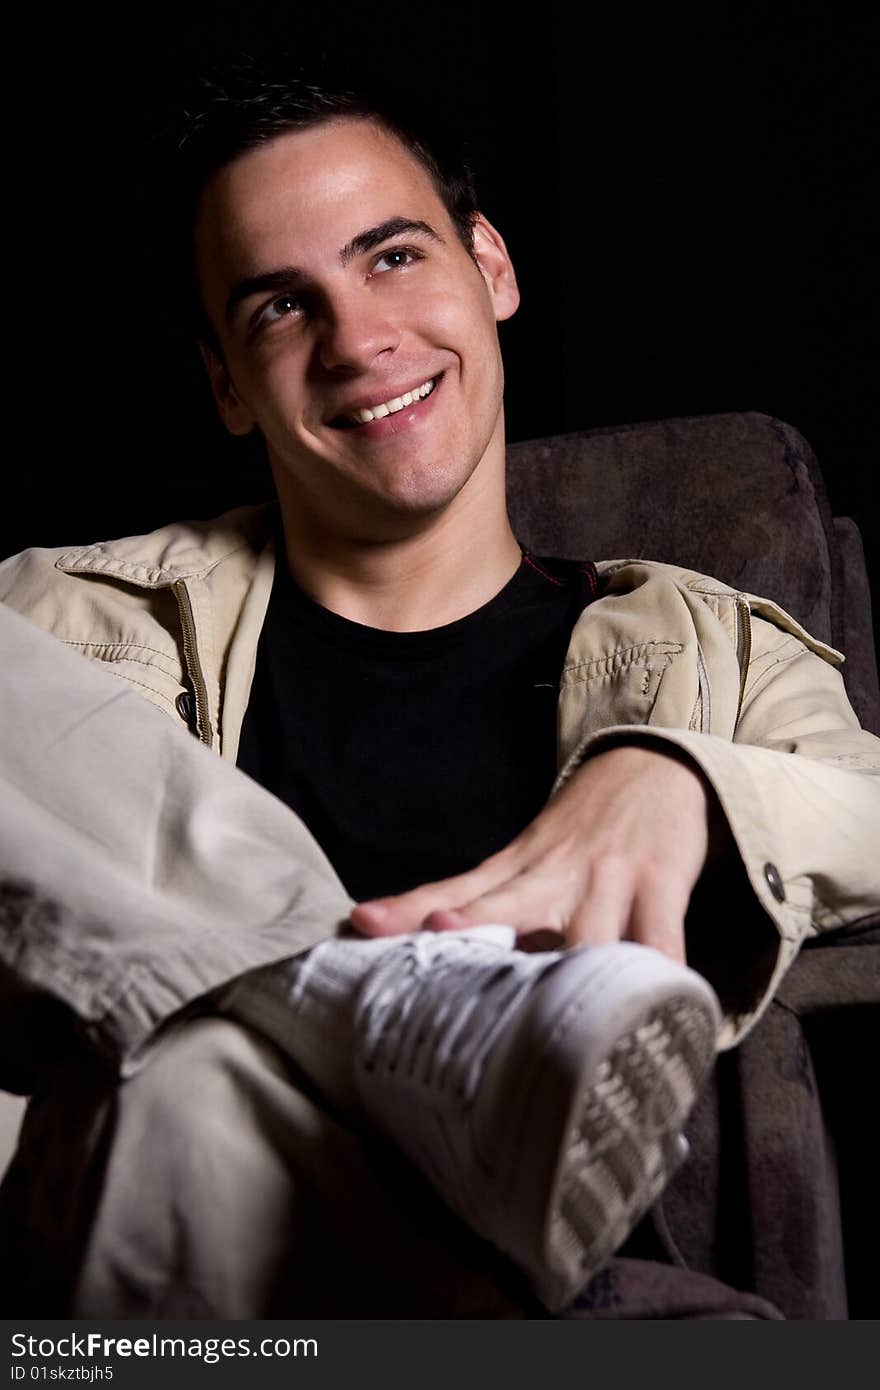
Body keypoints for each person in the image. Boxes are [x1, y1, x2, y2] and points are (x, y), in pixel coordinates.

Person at [0, 68, 877, 1318]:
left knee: (186, 1091)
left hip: (247, 1269)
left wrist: (683, 780)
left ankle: (310, 1046)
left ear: (493, 270)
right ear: (226, 390)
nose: (358, 340)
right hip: (111, 1236)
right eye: (279, 308)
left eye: (395, 258)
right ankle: (345, 1012)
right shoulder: (58, 620)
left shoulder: (701, 643)